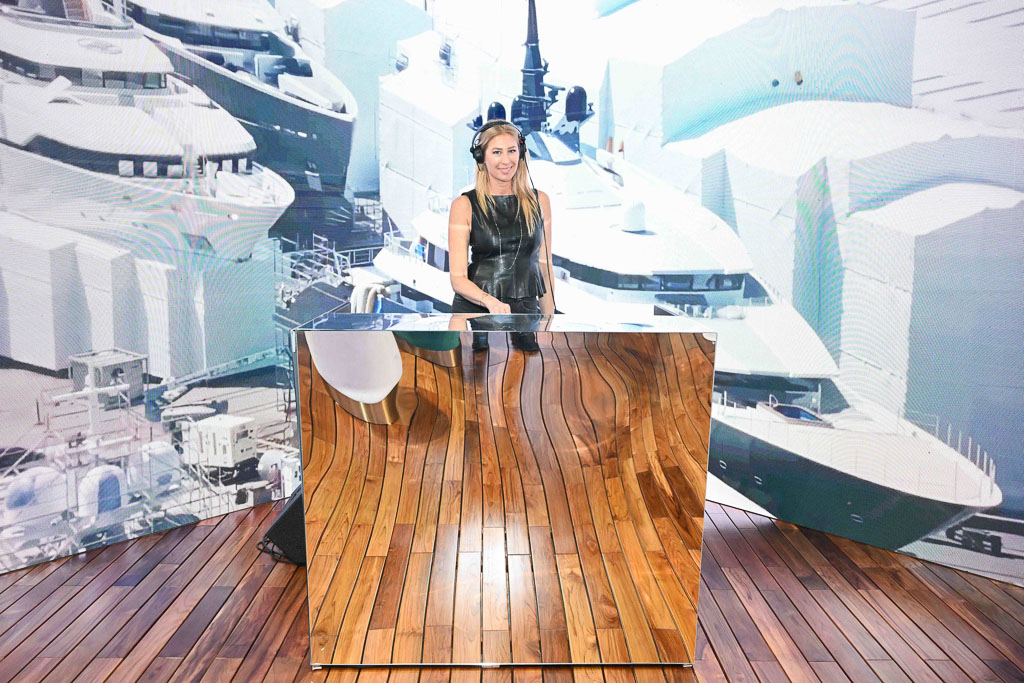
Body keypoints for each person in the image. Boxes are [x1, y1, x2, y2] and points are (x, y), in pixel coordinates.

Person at [448, 119, 555, 352]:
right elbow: (457, 278)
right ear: (481, 157)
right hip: (476, 314)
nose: (506, 160)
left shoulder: (540, 201)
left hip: (526, 314)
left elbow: (545, 268)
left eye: (512, 151)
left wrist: (550, 322)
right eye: (497, 152)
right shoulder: (464, 205)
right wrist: (490, 302)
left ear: (521, 153)